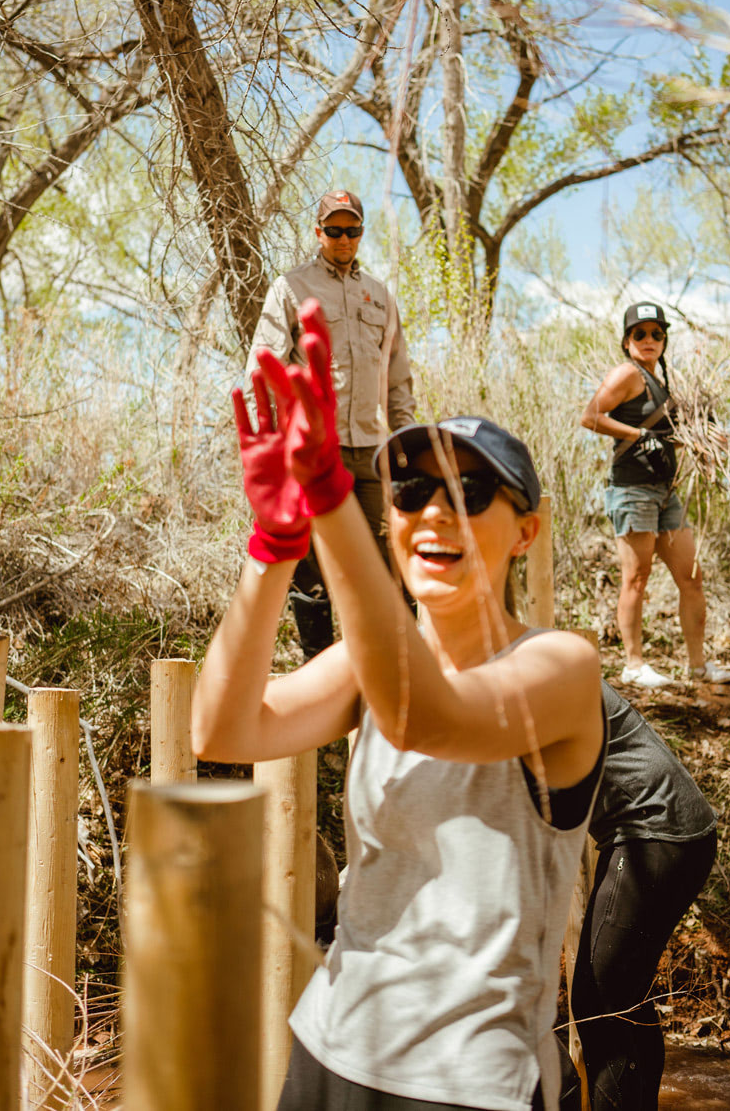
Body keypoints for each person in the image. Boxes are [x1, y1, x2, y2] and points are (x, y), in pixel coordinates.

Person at [194, 300, 605, 1111]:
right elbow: (224, 727)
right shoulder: (362, 666)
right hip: (330, 1044)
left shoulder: (561, 665)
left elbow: (432, 716)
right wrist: (275, 547)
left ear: (525, 530)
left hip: (468, 1080)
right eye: (410, 488)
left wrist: (328, 498)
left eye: (469, 489)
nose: (431, 511)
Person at [245, 189, 416, 659]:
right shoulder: (290, 288)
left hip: (372, 455)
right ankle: (318, 694)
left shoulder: (381, 296)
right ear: (318, 232)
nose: (344, 238)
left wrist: (407, 450)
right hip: (316, 454)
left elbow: (398, 381)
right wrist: (275, 450)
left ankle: (399, 688)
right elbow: (262, 370)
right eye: (334, 229)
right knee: (313, 574)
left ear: (361, 233)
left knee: (393, 571)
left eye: (352, 229)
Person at [558, 682, 717, 1110]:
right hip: (677, 833)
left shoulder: (523, 673)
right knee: (623, 997)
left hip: (655, 835)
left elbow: (548, 806)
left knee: (599, 1004)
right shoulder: (515, 664)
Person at [580, 302, 730, 688]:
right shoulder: (626, 374)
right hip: (632, 490)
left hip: (666, 491)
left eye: (657, 334)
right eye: (640, 333)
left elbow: (668, 439)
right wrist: (637, 435)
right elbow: (590, 416)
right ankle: (633, 666)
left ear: (664, 340)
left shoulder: (660, 382)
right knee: (636, 578)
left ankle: (698, 667)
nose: (649, 340)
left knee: (692, 578)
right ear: (627, 340)